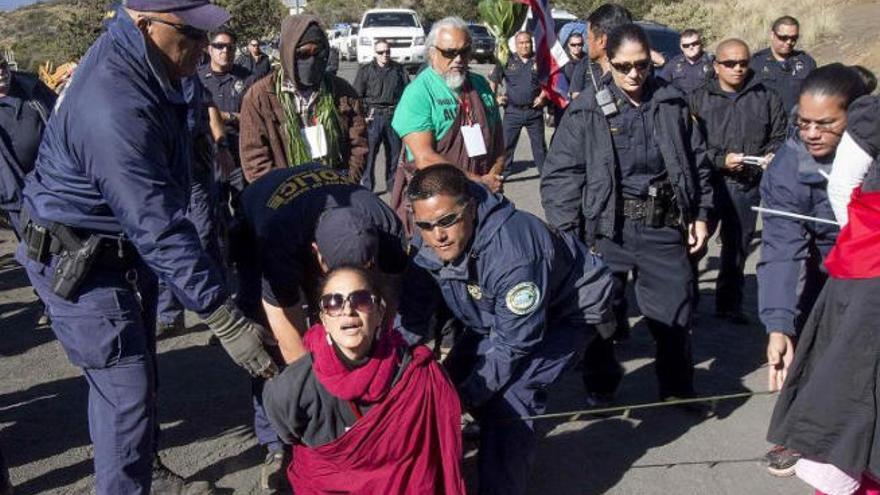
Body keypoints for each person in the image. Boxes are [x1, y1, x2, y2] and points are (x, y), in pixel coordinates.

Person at [14, 2, 279, 492]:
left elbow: (181, 129)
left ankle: (145, 472)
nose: (203, 49)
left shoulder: (159, 61)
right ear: (144, 24)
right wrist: (222, 317)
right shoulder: (112, 103)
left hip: (119, 250)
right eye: (191, 35)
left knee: (139, 377)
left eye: (208, 36)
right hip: (79, 259)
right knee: (126, 389)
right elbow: (157, 225)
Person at [401, 164, 614, 495]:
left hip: (565, 314)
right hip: (491, 315)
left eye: (447, 221)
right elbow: (413, 315)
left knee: (511, 399)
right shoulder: (429, 232)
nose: (437, 235)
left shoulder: (513, 253)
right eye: (426, 225)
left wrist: (458, 401)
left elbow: (514, 345)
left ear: (470, 207)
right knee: (446, 377)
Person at [542, 23, 713, 407]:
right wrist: (569, 236)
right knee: (600, 315)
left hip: (662, 225)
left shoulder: (672, 103)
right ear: (609, 63)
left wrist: (700, 213)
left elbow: (697, 162)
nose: (634, 74)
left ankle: (676, 388)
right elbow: (561, 177)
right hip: (606, 229)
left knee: (676, 312)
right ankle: (600, 388)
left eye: (641, 65)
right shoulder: (586, 109)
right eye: (623, 67)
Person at [236, 163, 409, 489]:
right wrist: (327, 404)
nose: (349, 303)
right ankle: (275, 443)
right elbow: (289, 339)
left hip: (324, 213)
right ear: (317, 256)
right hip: (257, 221)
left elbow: (388, 304)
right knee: (266, 345)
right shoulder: (280, 241)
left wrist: (373, 378)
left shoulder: (386, 227)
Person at [757, 64, 872, 478]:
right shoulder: (789, 166)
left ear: (857, 117)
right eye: (803, 122)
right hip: (829, 276)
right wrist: (778, 324)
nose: (810, 133)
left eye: (825, 124)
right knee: (814, 354)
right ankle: (803, 435)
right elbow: (783, 249)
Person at [262, 266, 466, 494]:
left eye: (361, 300)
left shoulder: (414, 375)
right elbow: (288, 432)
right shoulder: (293, 387)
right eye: (333, 302)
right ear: (323, 319)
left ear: (379, 312)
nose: (348, 310)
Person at [689, 39, 787, 324]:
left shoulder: (767, 96)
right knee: (694, 245)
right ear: (716, 65)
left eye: (743, 63)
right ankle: (687, 303)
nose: (738, 69)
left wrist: (772, 156)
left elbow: (780, 136)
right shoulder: (697, 99)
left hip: (746, 185)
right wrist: (720, 160)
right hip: (707, 185)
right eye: (730, 63)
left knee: (737, 247)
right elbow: (687, 145)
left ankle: (729, 304)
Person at [390, 16, 505, 234]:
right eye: (450, 53)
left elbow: (498, 141)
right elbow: (425, 158)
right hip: (439, 210)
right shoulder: (418, 93)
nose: (459, 59)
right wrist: (478, 182)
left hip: (484, 200)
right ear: (432, 52)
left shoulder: (480, 85)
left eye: (465, 51)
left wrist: (494, 177)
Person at [239, 14, 368, 183]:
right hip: (286, 199)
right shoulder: (259, 97)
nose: (312, 60)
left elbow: (359, 145)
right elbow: (254, 160)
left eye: (318, 52)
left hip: (337, 191)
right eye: (303, 54)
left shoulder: (342, 91)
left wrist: (347, 182)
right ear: (288, 53)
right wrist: (288, 194)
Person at [0, 55, 56, 238]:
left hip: (53, 182)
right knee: (35, 253)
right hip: (16, 196)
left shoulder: (31, 87)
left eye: (2, 64)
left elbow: (61, 115)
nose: (1, 71)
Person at [353, 39, 409, 193]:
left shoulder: (399, 70)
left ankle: (393, 188)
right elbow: (356, 95)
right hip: (373, 117)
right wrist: (362, 116)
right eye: (381, 52)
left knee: (394, 154)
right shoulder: (365, 70)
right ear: (375, 53)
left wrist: (403, 115)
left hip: (393, 116)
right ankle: (367, 188)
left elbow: (408, 94)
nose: (385, 55)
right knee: (369, 155)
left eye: (387, 52)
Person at [489, 31, 547, 175]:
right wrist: (495, 98)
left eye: (527, 42)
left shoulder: (539, 60)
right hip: (512, 112)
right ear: (516, 45)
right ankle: (502, 174)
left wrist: (542, 97)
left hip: (534, 112)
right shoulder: (506, 59)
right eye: (521, 43)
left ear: (531, 43)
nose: (525, 46)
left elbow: (549, 82)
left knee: (540, 147)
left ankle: (546, 176)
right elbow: (494, 80)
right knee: (506, 146)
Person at [750, 15, 817, 114]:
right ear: (772, 35)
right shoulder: (756, 63)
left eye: (794, 38)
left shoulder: (806, 62)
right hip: (769, 122)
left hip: (798, 122)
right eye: (783, 38)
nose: (789, 42)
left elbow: (815, 94)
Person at [568, 3, 633, 100]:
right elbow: (575, 95)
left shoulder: (637, 77)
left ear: (602, 41)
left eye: (588, 37)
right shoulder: (584, 65)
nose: (586, 42)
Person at [659, 29, 713, 94]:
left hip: (705, 102)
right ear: (681, 47)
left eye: (695, 44)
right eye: (686, 46)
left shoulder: (712, 62)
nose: (691, 47)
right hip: (682, 102)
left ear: (700, 43)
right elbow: (661, 85)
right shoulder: (673, 64)